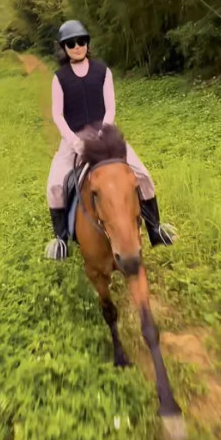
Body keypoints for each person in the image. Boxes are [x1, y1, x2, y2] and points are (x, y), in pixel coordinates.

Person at [45, 19, 177, 260]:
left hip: (106, 135)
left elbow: (110, 107)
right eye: (71, 43)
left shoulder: (103, 72)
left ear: (87, 43)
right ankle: (61, 239)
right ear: (63, 47)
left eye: (81, 41)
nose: (77, 46)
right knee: (55, 184)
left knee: (142, 173)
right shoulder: (59, 78)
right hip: (73, 138)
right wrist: (75, 142)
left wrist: (103, 133)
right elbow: (57, 114)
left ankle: (155, 228)